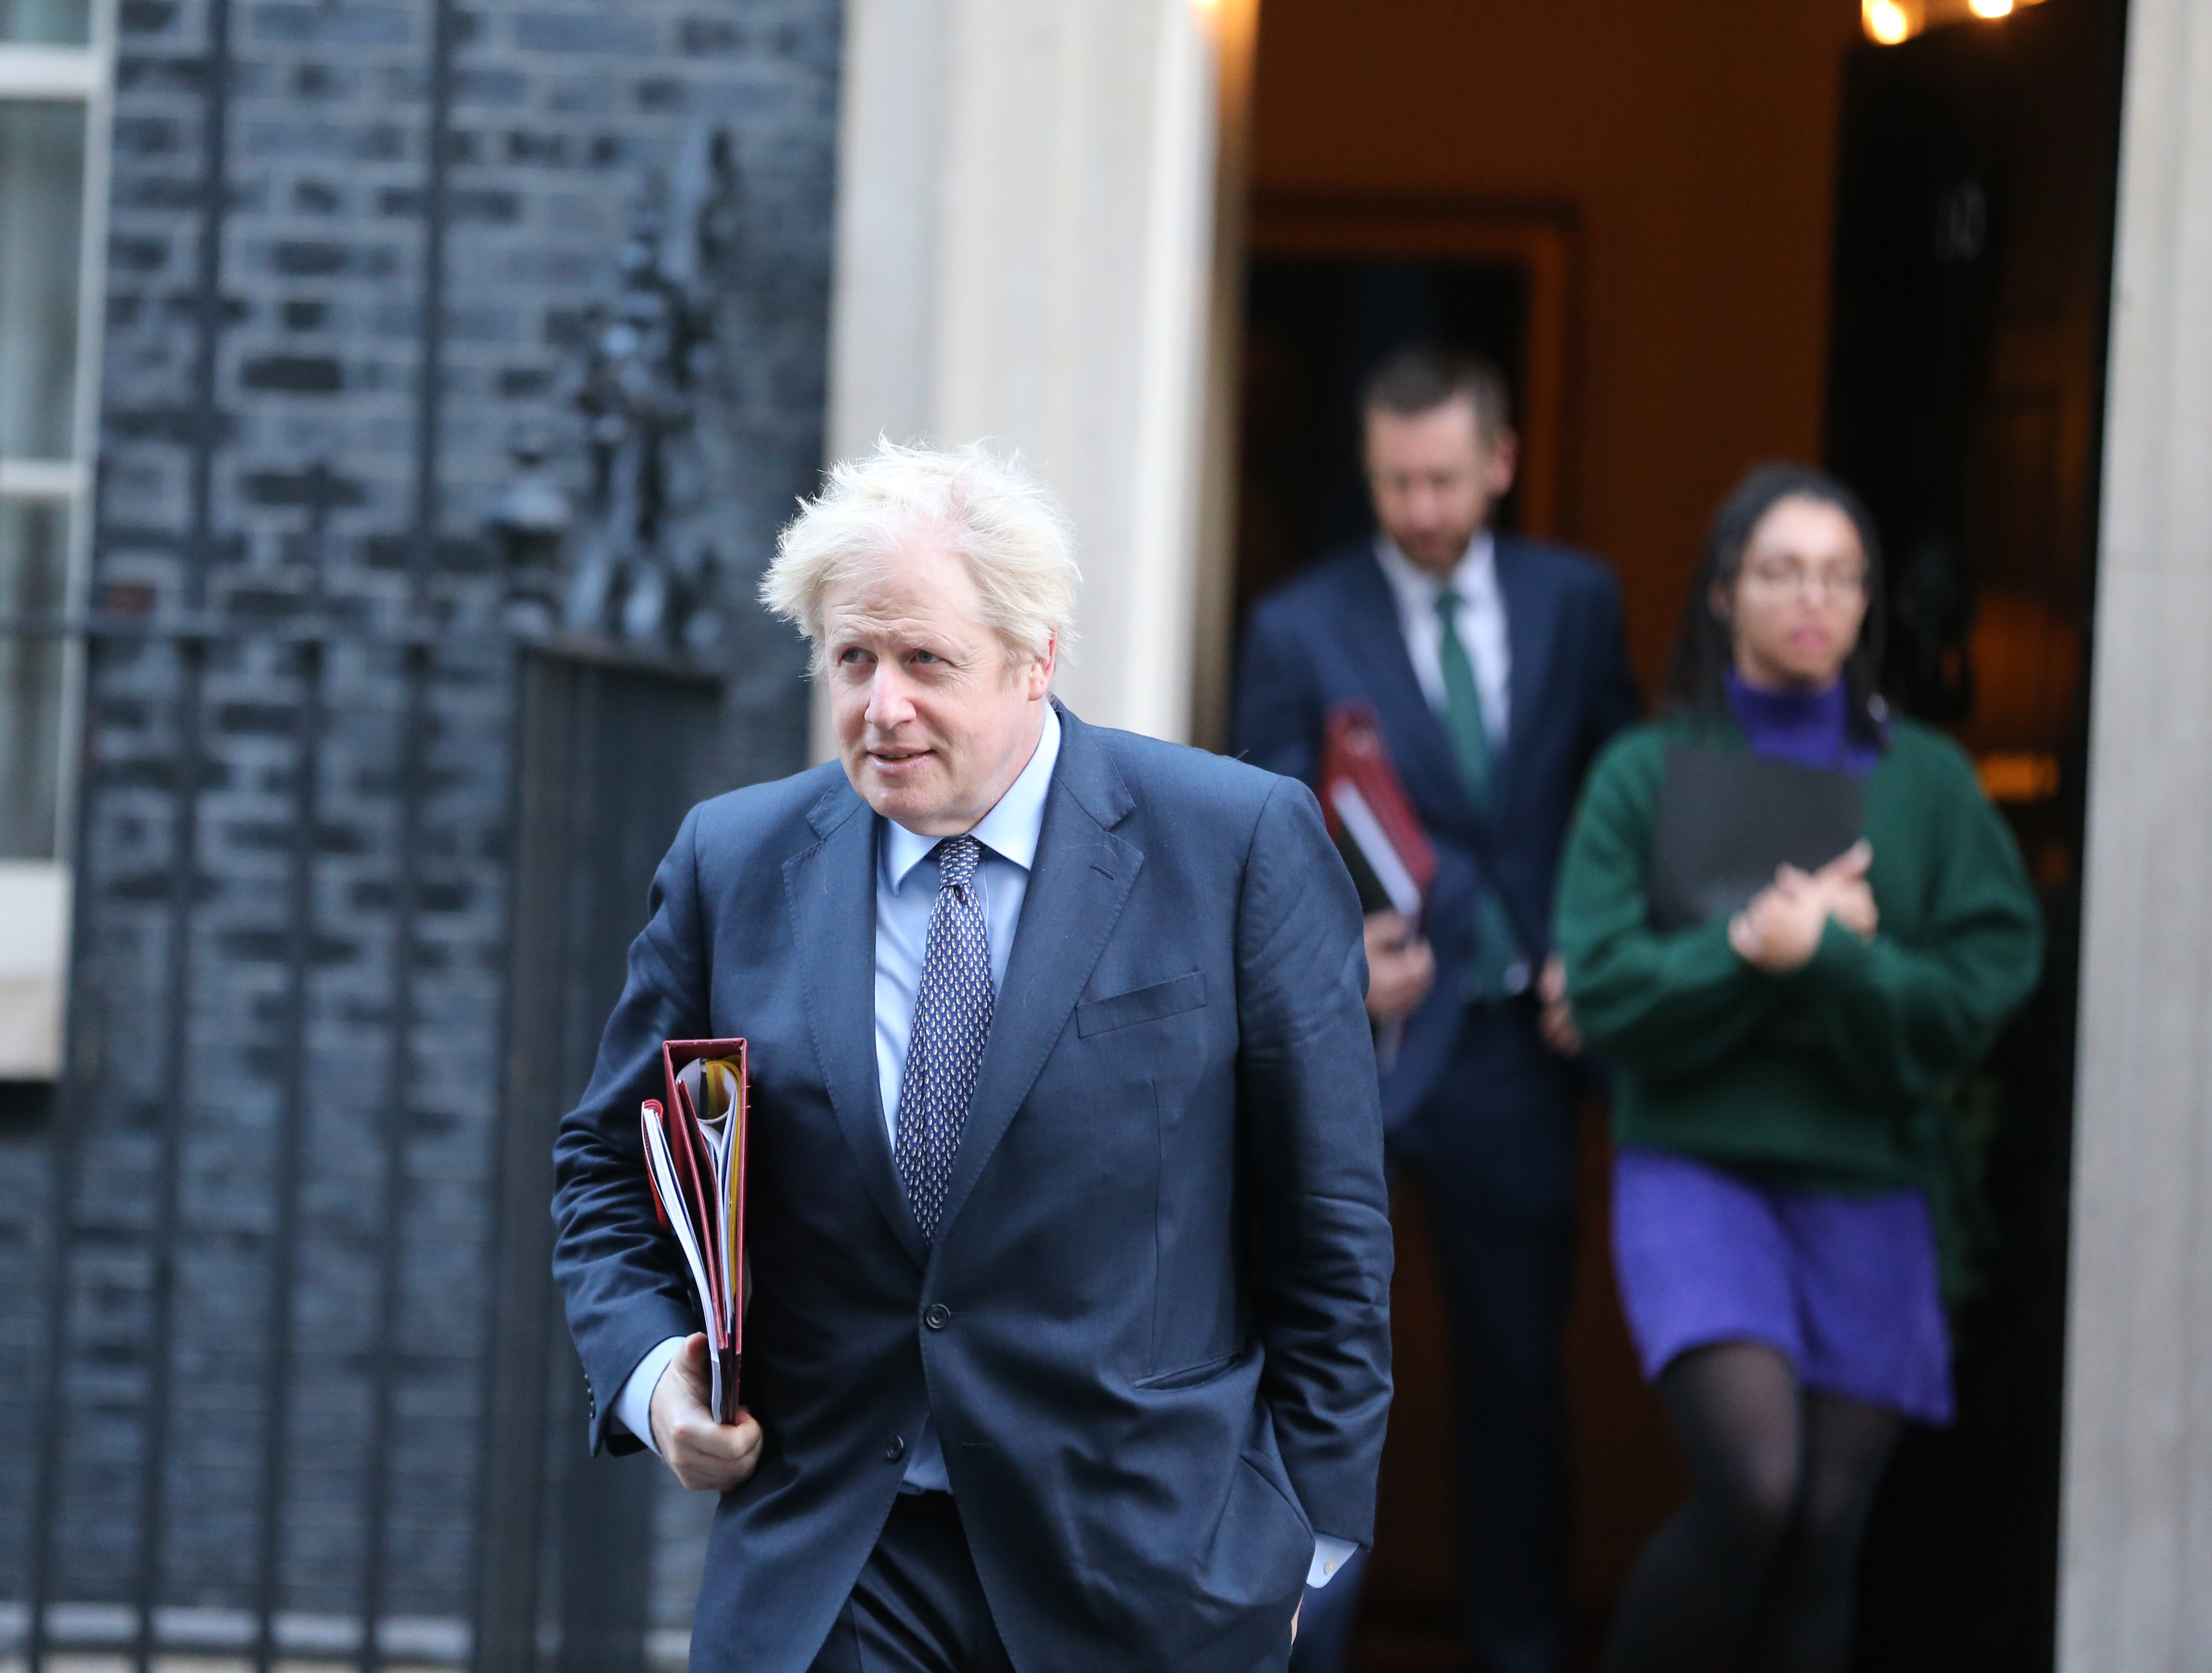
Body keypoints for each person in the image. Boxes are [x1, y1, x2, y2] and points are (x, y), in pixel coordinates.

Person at [551, 442, 1395, 1673]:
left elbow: (1327, 1225)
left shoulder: (1234, 847)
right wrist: (651, 1380)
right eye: (853, 659)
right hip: (835, 1564)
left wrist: (1301, 1547)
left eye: (925, 661)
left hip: (1144, 1572)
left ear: (1036, 658)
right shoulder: (732, 865)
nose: (881, 705)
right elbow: (606, 1166)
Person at [1553, 464, 2043, 1672]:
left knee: (1827, 1529)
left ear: (1868, 599)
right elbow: (1603, 986)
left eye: (1839, 575)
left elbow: (1987, 986)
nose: (1811, 598)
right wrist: (1745, 950)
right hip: (1698, 1174)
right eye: (1780, 571)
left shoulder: (1927, 783)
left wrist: (1835, 963)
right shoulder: (1643, 773)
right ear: (1725, 594)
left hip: (1869, 1182)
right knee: (1757, 1485)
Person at [1231, 345, 1637, 1673]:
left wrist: (1593, 944)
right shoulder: (1298, 624)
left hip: (1513, 1052)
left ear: (1500, 465)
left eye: (1444, 479)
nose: (1417, 506)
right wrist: (1331, 959)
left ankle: (1517, 1649)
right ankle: (1301, 1648)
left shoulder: (1578, 602)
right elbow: (1263, 834)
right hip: (1351, 1047)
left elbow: (1610, 795)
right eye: (1396, 481)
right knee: (1318, 1368)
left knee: (1518, 1379)